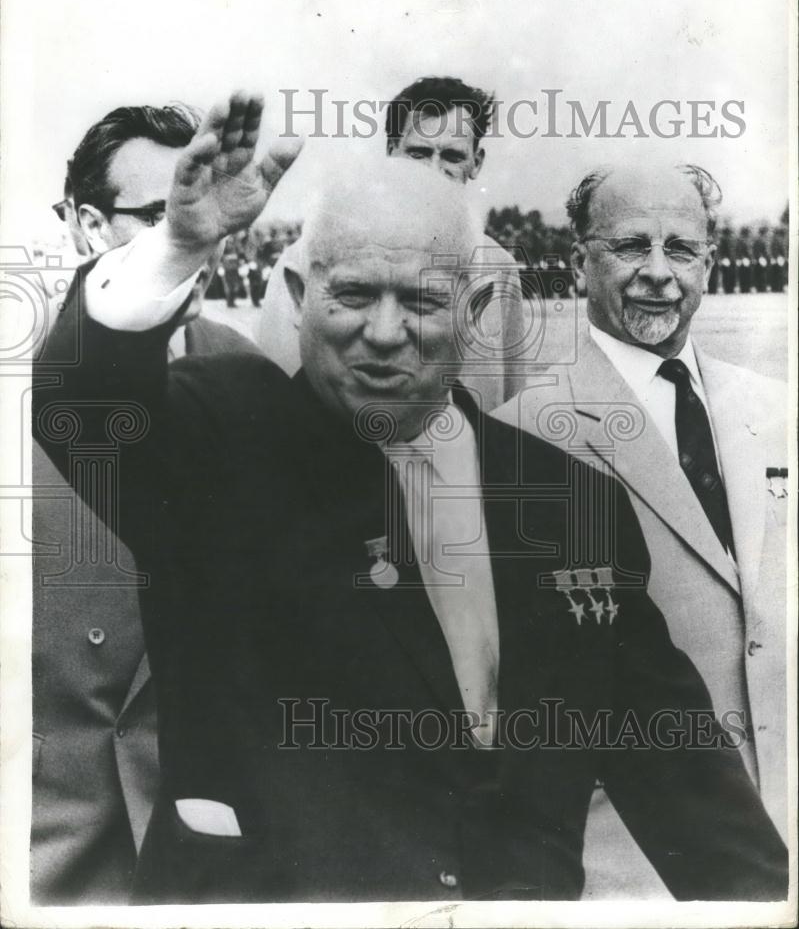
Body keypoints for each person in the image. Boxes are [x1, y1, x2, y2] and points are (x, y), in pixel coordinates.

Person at [34, 94, 787, 903]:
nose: (384, 333)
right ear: (298, 287)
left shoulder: (569, 503)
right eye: (353, 295)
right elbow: (82, 408)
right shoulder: (221, 442)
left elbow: (682, 780)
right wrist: (178, 246)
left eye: (421, 302)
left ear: (473, 312)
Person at [494, 163, 789, 897]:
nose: (658, 274)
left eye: (680, 250)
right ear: (577, 265)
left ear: (709, 263)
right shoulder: (522, 437)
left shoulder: (778, 409)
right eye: (630, 246)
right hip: (632, 860)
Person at [32, 103, 259, 904]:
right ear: (91, 227)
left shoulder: (246, 374)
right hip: (49, 867)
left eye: (205, 210)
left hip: (212, 869)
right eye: (165, 217)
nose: (194, 236)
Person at [255, 76, 526, 409]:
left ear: (476, 162)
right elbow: (276, 395)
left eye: (453, 156)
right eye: (419, 152)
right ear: (390, 151)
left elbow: (510, 407)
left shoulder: (498, 269)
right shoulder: (312, 255)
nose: (433, 170)